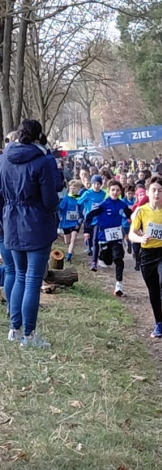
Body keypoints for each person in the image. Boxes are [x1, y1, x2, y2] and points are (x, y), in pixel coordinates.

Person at [0, 119, 61, 348]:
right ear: (38, 136)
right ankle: (29, 335)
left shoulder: (4, 158)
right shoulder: (42, 161)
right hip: (36, 224)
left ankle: (14, 330)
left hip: (11, 222)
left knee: (18, 274)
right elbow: (50, 200)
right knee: (33, 280)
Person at [128, 176, 162, 339]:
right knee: (153, 290)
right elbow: (131, 234)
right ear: (148, 192)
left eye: (160, 190)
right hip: (147, 254)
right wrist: (140, 238)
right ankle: (159, 323)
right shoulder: (141, 211)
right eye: (153, 190)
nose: (156, 193)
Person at [87, 180, 132, 296]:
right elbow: (90, 215)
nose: (115, 192)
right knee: (107, 261)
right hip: (104, 237)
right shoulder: (103, 204)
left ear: (120, 192)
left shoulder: (123, 205)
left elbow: (131, 215)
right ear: (109, 191)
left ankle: (118, 286)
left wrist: (136, 224)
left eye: (117, 190)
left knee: (118, 258)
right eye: (113, 190)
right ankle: (101, 257)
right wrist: (87, 230)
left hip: (116, 236)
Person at [59, 179, 84, 262]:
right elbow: (60, 209)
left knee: (73, 239)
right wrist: (60, 216)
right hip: (66, 222)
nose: (72, 190)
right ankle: (70, 249)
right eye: (71, 188)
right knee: (67, 241)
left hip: (75, 222)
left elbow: (82, 211)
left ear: (78, 189)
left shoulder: (80, 199)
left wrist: (80, 220)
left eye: (74, 188)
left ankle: (68, 256)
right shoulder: (66, 198)